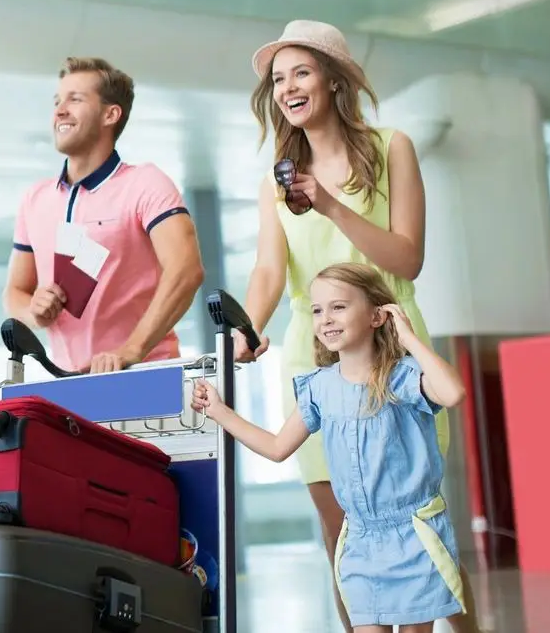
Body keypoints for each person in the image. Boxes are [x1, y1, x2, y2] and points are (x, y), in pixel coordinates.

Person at [235, 19, 479, 632]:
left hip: (392, 350)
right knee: (343, 532)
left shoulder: (390, 146)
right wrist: (247, 325)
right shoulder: (277, 179)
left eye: (302, 71)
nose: (288, 87)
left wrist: (331, 203)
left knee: (418, 521)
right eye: (278, 78)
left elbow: (407, 258)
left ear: (334, 78)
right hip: (314, 359)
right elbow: (269, 270)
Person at [192, 262, 469, 633]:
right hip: (360, 542)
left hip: (414, 538)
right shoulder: (318, 388)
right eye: (317, 310)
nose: (325, 318)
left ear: (376, 316)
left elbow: (453, 392)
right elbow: (277, 447)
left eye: (339, 306)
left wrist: (409, 338)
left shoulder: (401, 377)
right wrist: (220, 412)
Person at [3, 56, 204, 374]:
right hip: (67, 383)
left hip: (143, 374)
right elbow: (15, 291)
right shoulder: (35, 199)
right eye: (57, 101)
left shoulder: (145, 183)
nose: (59, 110)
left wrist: (131, 350)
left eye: (75, 99)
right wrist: (33, 312)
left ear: (110, 114)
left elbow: (186, 271)